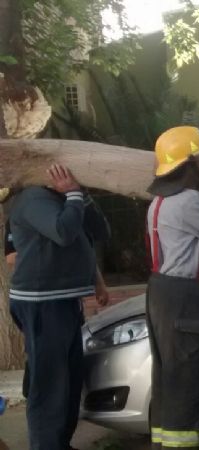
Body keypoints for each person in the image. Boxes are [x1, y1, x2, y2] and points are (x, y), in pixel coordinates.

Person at [7, 164, 110, 450]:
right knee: (50, 385)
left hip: (62, 301)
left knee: (69, 381)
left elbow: (100, 232)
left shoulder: (65, 197)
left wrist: (81, 196)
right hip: (42, 303)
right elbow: (63, 232)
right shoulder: (34, 199)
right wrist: (74, 195)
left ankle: (60, 444)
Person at [145, 126, 199, 450]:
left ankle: (165, 445)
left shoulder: (157, 202)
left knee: (168, 378)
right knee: (190, 379)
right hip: (185, 297)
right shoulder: (191, 200)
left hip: (159, 293)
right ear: (188, 165)